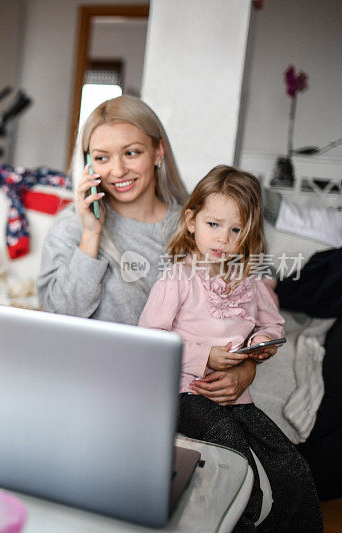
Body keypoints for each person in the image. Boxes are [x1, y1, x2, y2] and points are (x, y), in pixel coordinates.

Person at [37, 95, 256, 403]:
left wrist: (245, 370)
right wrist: (91, 234)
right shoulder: (72, 227)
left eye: (132, 153)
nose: (117, 170)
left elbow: (241, 306)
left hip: (174, 390)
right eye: (101, 158)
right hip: (90, 385)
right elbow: (59, 317)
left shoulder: (199, 228)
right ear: (88, 164)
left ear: (158, 151)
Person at [138, 166, 322, 531]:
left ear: (247, 234)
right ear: (191, 221)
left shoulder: (251, 282)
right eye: (213, 225)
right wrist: (204, 356)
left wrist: (259, 345)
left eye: (235, 229)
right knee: (235, 460)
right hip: (185, 394)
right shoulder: (177, 278)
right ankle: (243, 522)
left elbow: (272, 325)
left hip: (236, 398)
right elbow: (150, 341)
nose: (223, 238)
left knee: (289, 465)